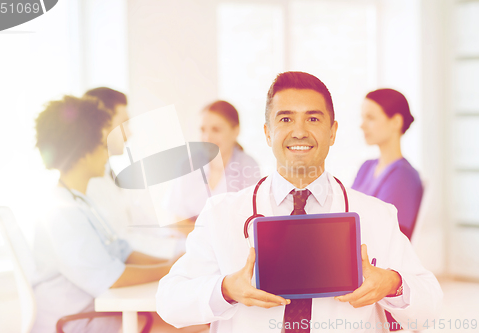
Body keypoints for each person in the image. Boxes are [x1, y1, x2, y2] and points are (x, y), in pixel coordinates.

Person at [156, 72, 442, 333]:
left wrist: (391, 284)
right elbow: (169, 302)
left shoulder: (378, 216)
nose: (300, 131)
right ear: (267, 133)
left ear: (332, 132)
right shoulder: (222, 214)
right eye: (285, 119)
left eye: (313, 119)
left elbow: (430, 309)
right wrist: (226, 289)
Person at [31, 95, 179, 333]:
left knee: (192, 319)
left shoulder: (78, 201)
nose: (106, 153)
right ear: (83, 150)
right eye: (102, 145)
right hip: (77, 323)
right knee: (192, 325)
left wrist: (174, 263)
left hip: (97, 314)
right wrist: (170, 268)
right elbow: (112, 278)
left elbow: (122, 251)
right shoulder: (61, 214)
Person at [84, 87, 180, 258]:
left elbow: (137, 223)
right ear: (103, 124)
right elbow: (121, 242)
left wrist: (173, 240)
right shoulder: (89, 183)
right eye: (124, 124)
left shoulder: (110, 174)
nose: (129, 133)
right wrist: (176, 249)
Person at [166, 100, 261, 235]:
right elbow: (177, 220)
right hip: (189, 247)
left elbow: (247, 223)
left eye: (216, 130)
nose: (207, 137)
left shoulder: (249, 167)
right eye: (203, 130)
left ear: (236, 131)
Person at [352, 89, 423, 239]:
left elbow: (394, 236)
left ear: (396, 122)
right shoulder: (366, 167)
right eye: (362, 118)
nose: (362, 125)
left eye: (370, 118)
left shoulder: (403, 176)